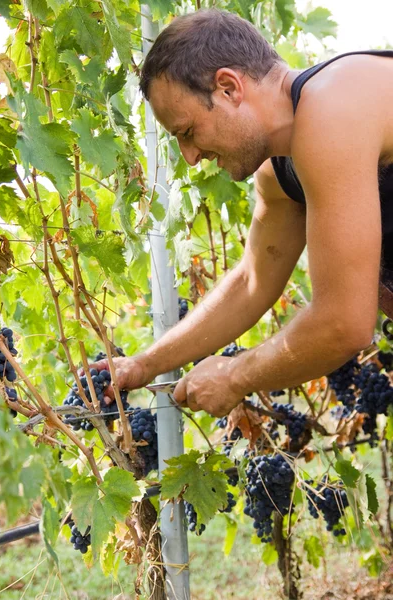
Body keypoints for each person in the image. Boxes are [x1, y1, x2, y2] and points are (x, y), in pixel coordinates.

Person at [94, 9, 393, 417]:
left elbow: (344, 323)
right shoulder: (280, 171)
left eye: (187, 132)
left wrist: (237, 375)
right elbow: (252, 281)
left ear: (229, 88)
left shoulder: (332, 111)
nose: (191, 157)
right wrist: (146, 363)